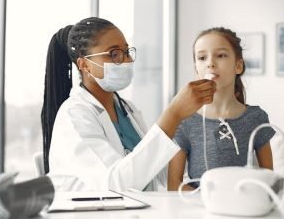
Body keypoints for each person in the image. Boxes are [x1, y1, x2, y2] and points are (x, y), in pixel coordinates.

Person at [41, 17, 216, 191]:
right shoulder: (74, 116)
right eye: (114, 54)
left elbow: (155, 174)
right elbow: (115, 184)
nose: (126, 61)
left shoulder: (126, 109)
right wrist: (173, 114)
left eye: (126, 52)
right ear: (84, 64)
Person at [167, 27, 275, 191]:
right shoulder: (184, 121)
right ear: (197, 68)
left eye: (221, 55)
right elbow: (174, 185)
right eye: (202, 57)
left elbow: (269, 181)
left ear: (238, 66)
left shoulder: (256, 118)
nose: (210, 63)